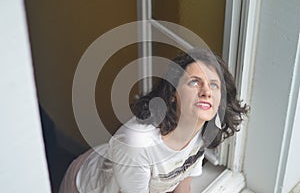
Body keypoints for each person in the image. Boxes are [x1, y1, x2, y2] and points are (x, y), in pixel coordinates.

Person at [59, 48, 249, 193]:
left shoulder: (203, 128)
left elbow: (184, 181)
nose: (206, 91)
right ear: (173, 93)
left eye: (214, 85)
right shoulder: (138, 143)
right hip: (85, 184)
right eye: (194, 82)